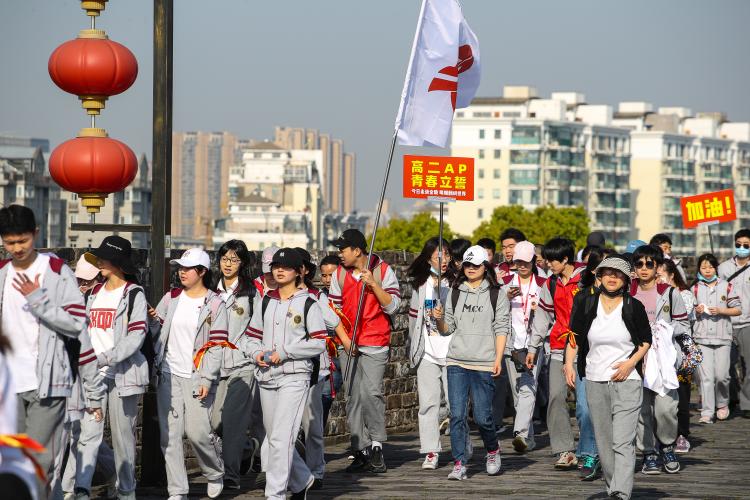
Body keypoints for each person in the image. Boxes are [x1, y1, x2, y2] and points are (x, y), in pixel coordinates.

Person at [0, 205, 103, 497]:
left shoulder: (56, 271)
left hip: (48, 383)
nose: (17, 248)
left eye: (22, 240)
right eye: (10, 242)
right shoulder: (3, 273)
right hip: (8, 385)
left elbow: (75, 323)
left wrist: (38, 299)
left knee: (40, 462)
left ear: (35, 234)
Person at [239, 248, 326, 500]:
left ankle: (274, 494)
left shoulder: (309, 302)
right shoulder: (266, 300)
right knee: (275, 436)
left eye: (286, 267)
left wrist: (285, 352)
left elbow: (319, 342)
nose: (279, 270)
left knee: (279, 439)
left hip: (295, 376)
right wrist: (255, 353)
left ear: (299, 271)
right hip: (266, 375)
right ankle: (302, 480)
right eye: (276, 265)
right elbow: (250, 337)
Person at [565, 256, 652, 500]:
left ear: (626, 280)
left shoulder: (633, 305)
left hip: (628, 379)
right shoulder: (585, 301)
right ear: (599, 276)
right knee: (604, 441)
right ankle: (613, 486)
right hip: (594, 377)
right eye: (607, 273)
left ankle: (621, 493)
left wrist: (630, 363)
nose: (612, 277)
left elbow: (646, 341)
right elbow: (575, 336)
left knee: (622, 441)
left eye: (618, 274)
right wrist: (568, 364)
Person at [149, 248, 228, 500]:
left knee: (198, 433)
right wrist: (152, 320)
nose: (181, 272)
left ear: (202, 272)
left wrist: (207, 378)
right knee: (169, 436)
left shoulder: (215, 303)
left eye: (187, 268)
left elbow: (216, 346)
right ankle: (178, 490)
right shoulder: (171, 297)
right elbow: (156, 332)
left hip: (197, 376)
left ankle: (214, 472)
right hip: (168, 374)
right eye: (180, 268)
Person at [434, 245, 510, 480]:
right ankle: (459, 462)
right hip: (457, 360)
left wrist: (498, 359)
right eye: (467, 264)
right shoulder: (455, 292)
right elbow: (448, 329)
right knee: (456, 414)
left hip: (484, 362)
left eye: (475, 265)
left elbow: (501, 327)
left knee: (483, 417)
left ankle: (492, 449)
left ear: (485, 266)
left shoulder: (497, 293)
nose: (471, 269)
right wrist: (438, 320)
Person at [329, 229, 401, 474]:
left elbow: (393, 307)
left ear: (357, 250)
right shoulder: (339, 274)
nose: (340, 254)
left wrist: (374, 284)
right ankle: (360, 447)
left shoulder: (382, 270)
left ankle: (377, 443)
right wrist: (345, 340)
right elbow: (332, 312)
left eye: (343, 249)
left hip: (375, 339)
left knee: (371, 392)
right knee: (352, 396)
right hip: (347, 341)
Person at [526, 237, 598, 478]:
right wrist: (533, 347)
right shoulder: (550, 284)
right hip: (558, 346)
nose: (546, 264)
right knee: (556, 398)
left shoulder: (588, 277)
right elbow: (543, 318)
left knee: (584, 406)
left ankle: (589, 449)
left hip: (587, 349)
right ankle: (564, 450)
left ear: (565, 259)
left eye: (550, 260)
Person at [629, 244, 688, 475]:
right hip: (635, 360)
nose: (644, 269)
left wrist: (664, 331)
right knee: (641, 409)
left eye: (649, 264)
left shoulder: (670, 293)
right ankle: (648, 453)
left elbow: (684, 326)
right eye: (639, 264)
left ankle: (667, 445)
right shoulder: (628, 292)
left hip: (663, 361)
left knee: (665, 409)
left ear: (658, 267)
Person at [61, 258, 115, 500]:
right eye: (79, 280)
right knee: (80, 432)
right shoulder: (73, 296)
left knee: (86, 433)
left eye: (87, 281)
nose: (82, 284)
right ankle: (119, 472)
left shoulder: (113, 296)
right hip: (76, 372)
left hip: (103, 372)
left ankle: (70, 488)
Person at [210, 240, 261, 491]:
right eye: (224, 259)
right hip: (213, 366)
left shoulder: (251, 293)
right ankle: (247, 448)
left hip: (242, 365)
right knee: (213, 423)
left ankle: (229, 475)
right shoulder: (210, 290)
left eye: (234, 260)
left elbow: (258, 329)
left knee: (232, 422)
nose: (228, 264)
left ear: (243, 264)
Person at [296, 247, 344, 489]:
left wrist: (347, 345)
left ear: (303, 270)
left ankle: (316, 470)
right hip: (282, 371)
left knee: (312, 426)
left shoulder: (317, 297)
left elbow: (334, 322)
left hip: (315, 370)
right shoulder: (271, 298)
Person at [407, 237, 452, 469]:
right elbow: (413, 320)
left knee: (456, 405)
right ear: (428, 259)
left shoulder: (456, 283)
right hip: (427, 351)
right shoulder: (420, 285)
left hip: (452, 352)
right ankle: (431, 451)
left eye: (447, 255)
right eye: (438, 255)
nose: (443, 260)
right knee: (428, 404)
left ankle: (461, 445)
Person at [501, 241, 546, 454]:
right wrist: (505, 297)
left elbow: (552, 314)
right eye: (518, 261)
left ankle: (519, 432)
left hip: (533, 345)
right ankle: (529, 438)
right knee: (518, 392)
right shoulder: (504, 283)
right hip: (512, 345)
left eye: (525, 261)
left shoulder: (544, 283)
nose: (521, 265)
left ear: (533, 262)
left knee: (528, 387)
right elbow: (496, 312)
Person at [693, 253, 741, 424]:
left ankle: (722, 403)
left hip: (723, 337)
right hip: (702, 337)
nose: (707, 271)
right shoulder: (695, 288)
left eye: (710, 267)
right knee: (706, 377)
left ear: (716, 268)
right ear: (699, 269)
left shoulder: (727, 286)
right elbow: (689, 312)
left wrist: (721, 310)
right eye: (703, 267)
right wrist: (696, 311)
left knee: (722, 376)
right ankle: (707, 411)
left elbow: (737, 309)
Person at [658, 258, 696, 454]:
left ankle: (681, 435)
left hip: (682, 350)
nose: (658, 277)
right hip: (660, 352)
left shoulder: (684, 295)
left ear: (672, 274)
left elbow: (683, 323)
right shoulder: (653, 294)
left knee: (681, 393)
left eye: (661, 273)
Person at [718, 229, 750, 419]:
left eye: (746, 245)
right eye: (738, 244)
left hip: (748, 322)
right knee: (724, 366)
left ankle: (746, 404)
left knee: (748, 365)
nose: (742, 248)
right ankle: (729, 398)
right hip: (726, 322)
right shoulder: (723, 269)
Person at [318, 254, 344, 426]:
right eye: (324, 275)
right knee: (324, 397)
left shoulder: (350, 295)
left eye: (332, 275)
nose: (327, 280)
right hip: (327, 354)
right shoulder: (318, 296)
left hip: (346, 349)